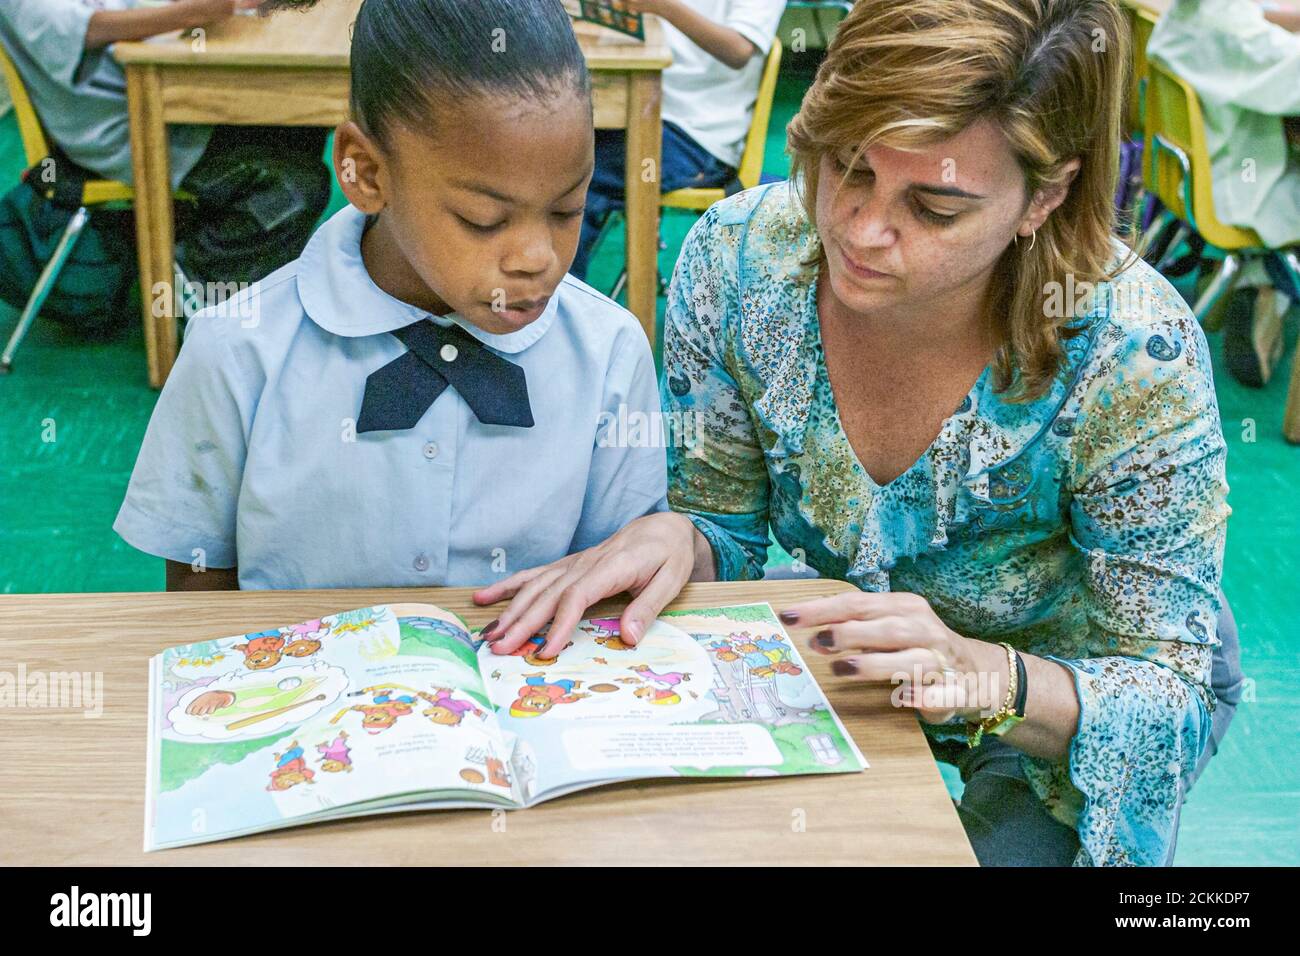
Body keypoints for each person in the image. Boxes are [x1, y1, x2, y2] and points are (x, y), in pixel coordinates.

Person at [475, 0, 1243, 866]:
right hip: (859, 663)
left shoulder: (1133, 355)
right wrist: (677, 538)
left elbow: (1167, 704)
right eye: (846, 166)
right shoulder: (742, 258)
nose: (860, 230)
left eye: (936, 207)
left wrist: (983, 675)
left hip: (1063, 689)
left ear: (1048, 194)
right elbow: (726, 527)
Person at [112, 0, 667, 590]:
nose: (537, 258)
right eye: (483, 219)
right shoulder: (235, 351)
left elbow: (614, 577)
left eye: (567, 209)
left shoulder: (610, 349)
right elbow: (198, 597)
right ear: (366, 173)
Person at [0, 0, 331, 289]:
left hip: (159, 107)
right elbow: (89, 28)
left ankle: (236, 263)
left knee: (303, 127)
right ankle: (194, 279)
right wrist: (193, 12)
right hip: (127, 133)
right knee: (298, 185)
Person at [570, 0, 786, 278]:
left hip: (699, 137)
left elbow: (739, 49)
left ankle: (559, 305)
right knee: (565, 148)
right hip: (651, 109)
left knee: (574, 173)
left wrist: (662, 6)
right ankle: (558, 300)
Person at [1147, 0, 1300, 387]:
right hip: (1235, 192)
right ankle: (1264, 282)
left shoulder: (1185, 16)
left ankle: (1254, 281)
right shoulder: (1235, 32)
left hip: (1182, 179)